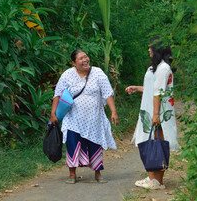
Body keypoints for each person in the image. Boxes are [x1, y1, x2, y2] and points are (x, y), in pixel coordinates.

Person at [50, 49, 118, 184]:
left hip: (94, 119)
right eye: (81, 58)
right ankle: (72, 174)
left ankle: (98, 173)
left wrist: (113, 111)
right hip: (73, 119)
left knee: (95, 144)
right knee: (72, 144)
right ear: (74, 63)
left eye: (86, 57)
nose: (85, 60)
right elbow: (57, 94)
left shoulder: (98, 73)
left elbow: (107, 93)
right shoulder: (67, 75)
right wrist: (53, 113)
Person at [125, 36, 179, 190]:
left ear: (157, 49)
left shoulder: (163, 68)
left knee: (157, 144)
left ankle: (156, 181)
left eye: (150, 47)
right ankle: (153, 179)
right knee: (150, 143)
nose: (148, 49)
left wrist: (156, 114)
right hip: (150, 110)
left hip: (158, 112)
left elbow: (159, 92)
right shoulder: (155, 67)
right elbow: (152, 88)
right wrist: (137, 88)